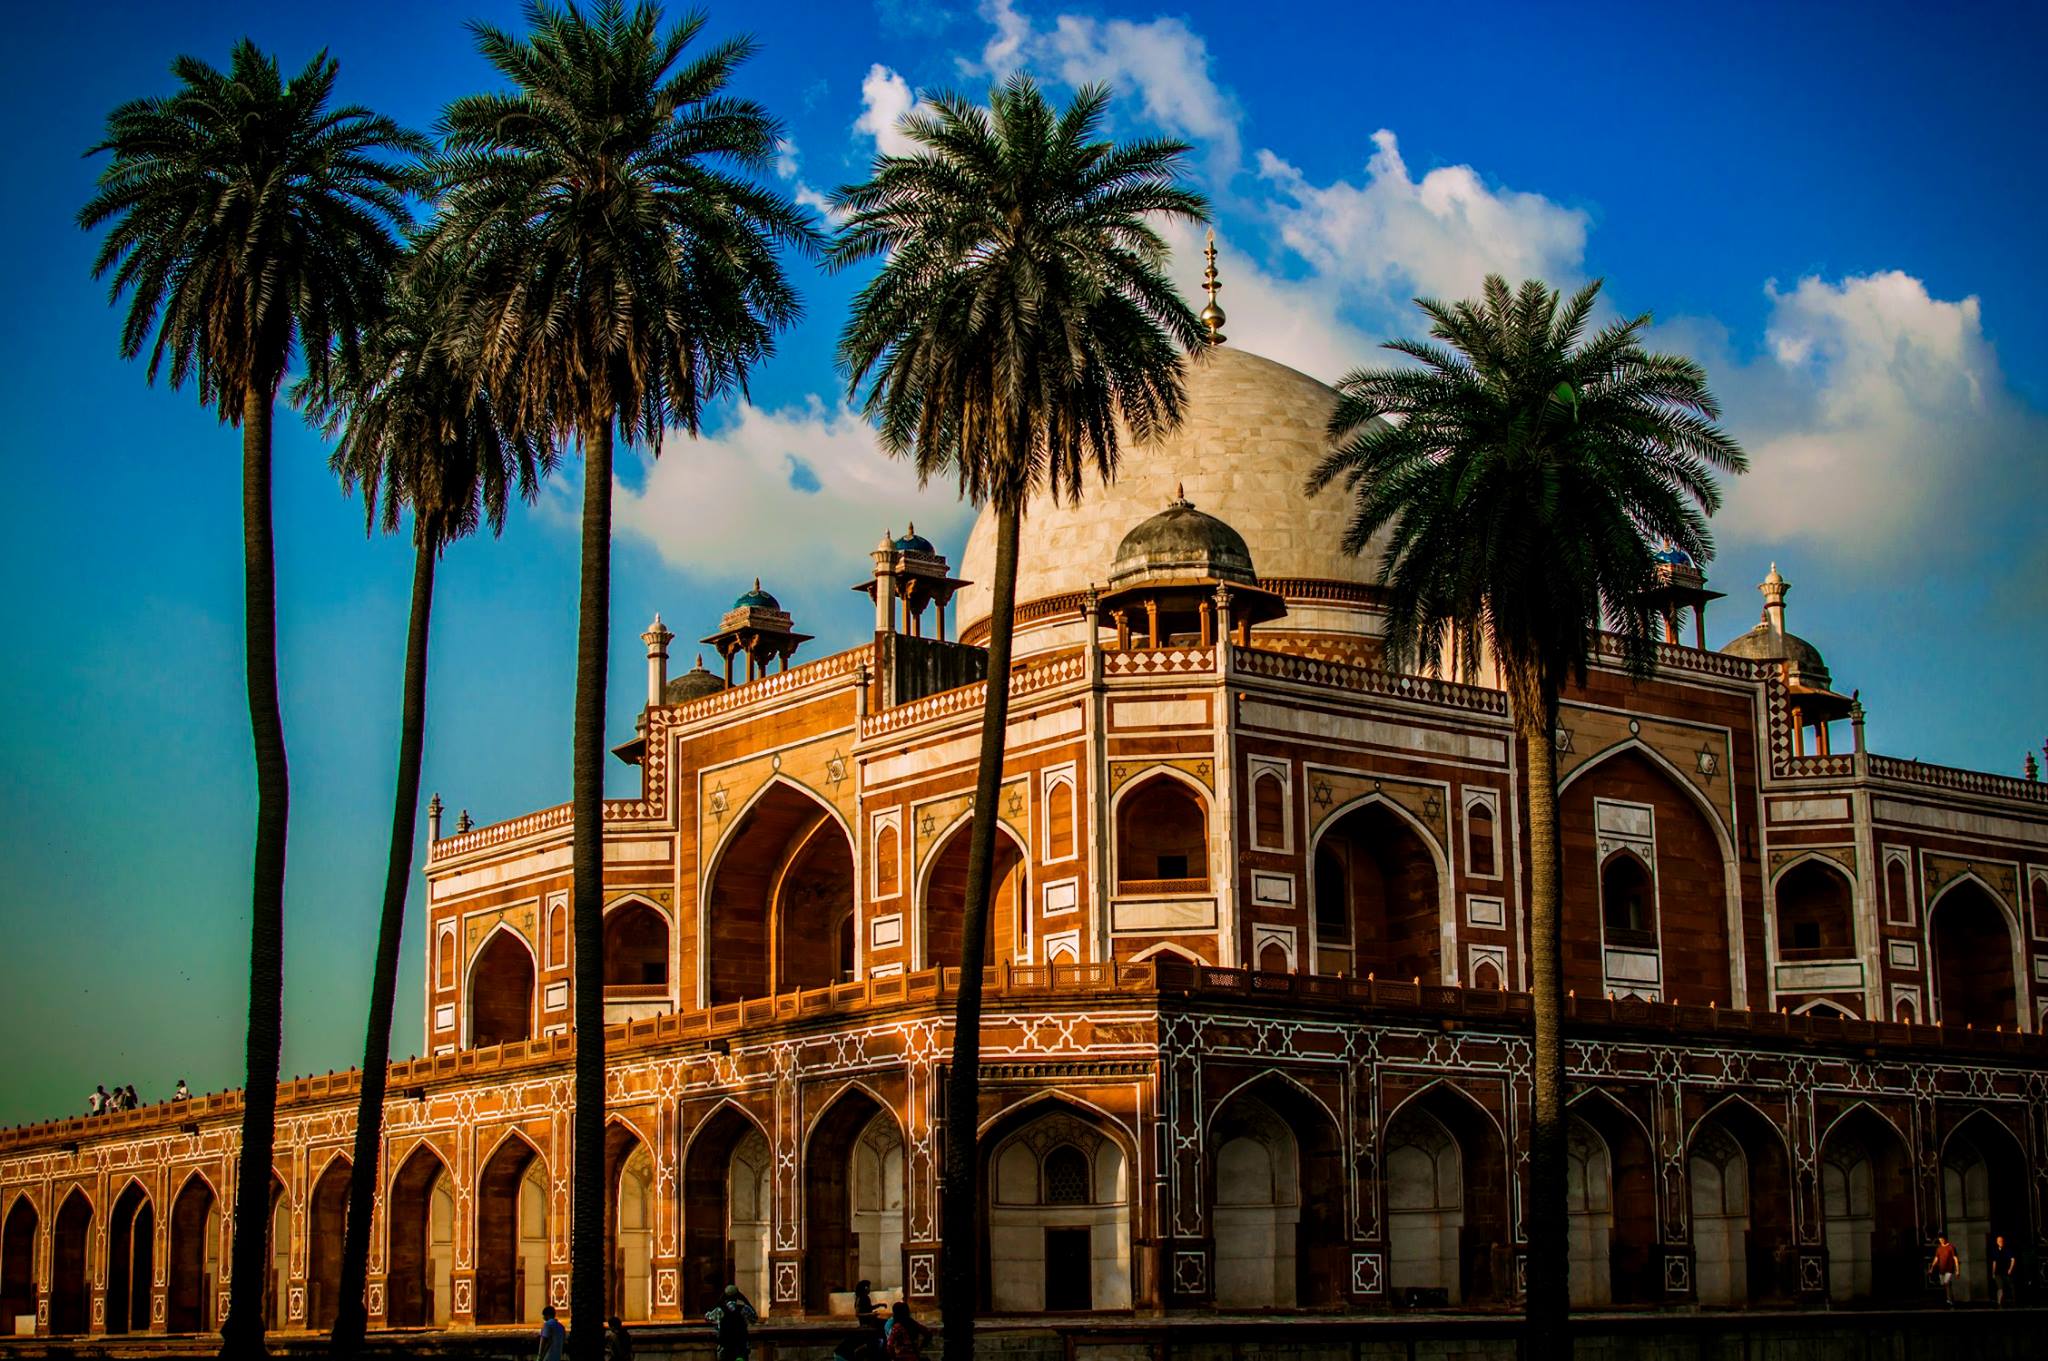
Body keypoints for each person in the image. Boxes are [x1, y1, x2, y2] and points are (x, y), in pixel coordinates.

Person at [705, 1283, 756, 1361]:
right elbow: (754, 1318)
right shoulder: (744, 1309)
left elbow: (707, 1316)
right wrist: (745, 1300)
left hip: (725, 1346)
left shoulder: (720, 1310)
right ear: (737, 1296)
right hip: (741, 1347)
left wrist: (718, 1301)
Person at [1933, 1234, 1959, 1306]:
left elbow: (1955, 1258)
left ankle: (1949, 1300)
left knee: (1946, 1283)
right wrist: (1932, 1267)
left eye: (1942, 1240)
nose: (1941, 1241)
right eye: (1940, 1240)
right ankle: (1950, 1298)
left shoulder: (1951, 1247)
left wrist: (1957, 1270)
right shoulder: (1939, 1248)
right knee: (1944, 1284)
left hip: (1949, 1269)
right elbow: (1936, 1258)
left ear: (1945, 1239)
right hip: (1942, 1269)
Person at [1992, 1234, 2017, 1307]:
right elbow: (1994, 1262)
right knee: (2000, 1288)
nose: (2000, 1242)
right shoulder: (1995, 1251)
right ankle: (1999, 1303)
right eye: (1999, 1241)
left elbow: (2013, 1259)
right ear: (1997, 1242)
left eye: (2001, 1241)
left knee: (2011, 1286)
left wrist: (2010, 1269)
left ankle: (2014, 1302)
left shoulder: (2007, 1250)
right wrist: (1993, 1273)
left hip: (2006, 1272)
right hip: (1998, 1272)